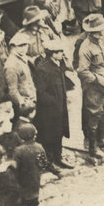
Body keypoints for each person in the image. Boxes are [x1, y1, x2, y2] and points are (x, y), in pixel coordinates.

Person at [77, 14, 104, 162]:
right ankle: (93, 148)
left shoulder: (99, 42)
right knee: (93, 114)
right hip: (94, 87)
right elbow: (82, 71)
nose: (102, 33)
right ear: (92, 32)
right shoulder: (86, 47)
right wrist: (98, 80)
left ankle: (102, 139)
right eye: (99, 31)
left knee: (103, 110)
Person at [31, 37, 72, 170]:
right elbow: (41, 92)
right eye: (59, 52)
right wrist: (54, 102)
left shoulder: (58, 64)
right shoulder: (43, 69)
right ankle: (49, 161)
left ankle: (58, 157)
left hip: (60, 107)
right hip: (49, 110)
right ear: (52, 53)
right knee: (49, 134)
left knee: (59, 132)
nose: (62, 54)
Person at [12, 123, 54, 206]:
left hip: (22, 182)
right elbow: (44, 163)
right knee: (35, 201)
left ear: (21, 137)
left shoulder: (18, 151)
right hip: (35, 179)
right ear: (34, 135)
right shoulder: (39, 147)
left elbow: (15, 167)